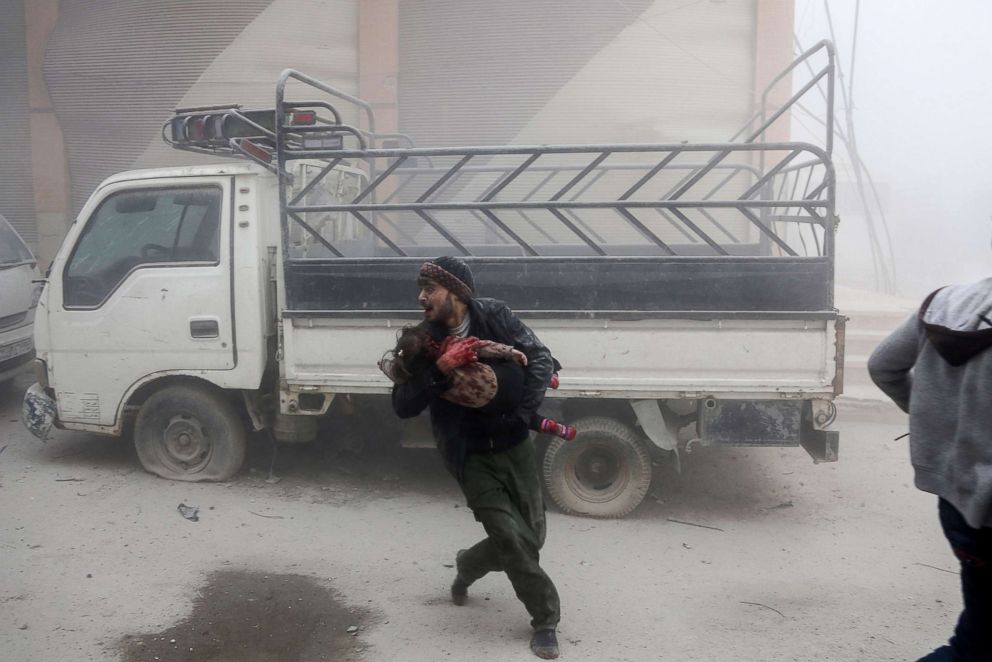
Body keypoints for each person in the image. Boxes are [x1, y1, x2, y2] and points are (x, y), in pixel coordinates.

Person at [389, 256, 562, 659]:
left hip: (514, 444)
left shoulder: (495, 316)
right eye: (421, 289)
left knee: (531, 538)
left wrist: (521, 414)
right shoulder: (422, 341)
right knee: (510, 538)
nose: (421, 297)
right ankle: (546, 619)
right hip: (469, 454)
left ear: (457, 292)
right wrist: (439, 371)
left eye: (429, 289)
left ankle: (466, 565)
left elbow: (538, 356)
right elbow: (401, 403)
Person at [868, 278, 992, 662]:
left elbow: (882, 366)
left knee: (976, 642)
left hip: (956, 503)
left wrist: (936, 426)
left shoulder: (945, 302)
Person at [379, 323, 577, 441]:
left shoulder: (429, 381)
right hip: (498, 380)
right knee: (521, 369)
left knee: (518, 414)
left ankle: (545, 425)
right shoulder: (450, 348)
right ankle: (547, 379)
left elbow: (401, 384)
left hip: (486, 403)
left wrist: (387, 365)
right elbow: (481, 346)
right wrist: (509, 351)